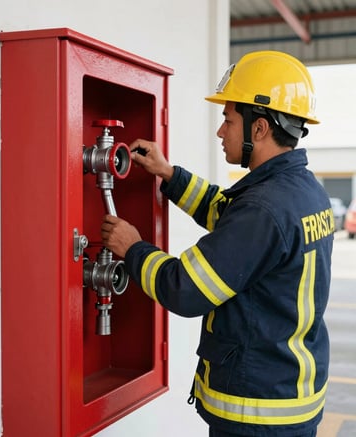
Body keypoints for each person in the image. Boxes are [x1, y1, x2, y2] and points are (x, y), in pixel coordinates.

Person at [101, 51, 334, 437]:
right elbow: (227, 216)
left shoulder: (264, 208)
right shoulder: (302, 191)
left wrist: (134, 248)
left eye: (228, 120)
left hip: (257, 416)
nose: (220, 132)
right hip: (288, 399)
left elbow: (187, 289)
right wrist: (169, 175)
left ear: (259, 129)